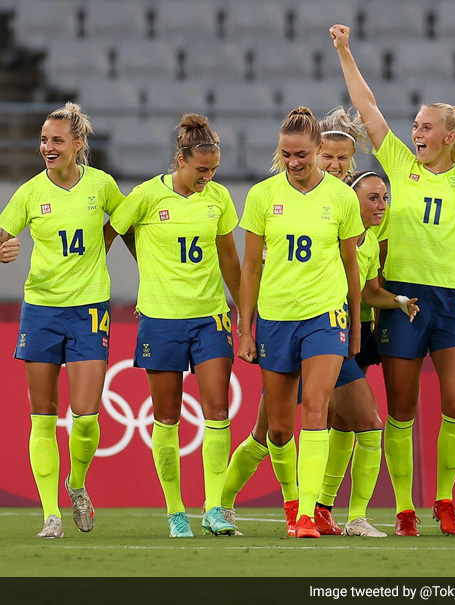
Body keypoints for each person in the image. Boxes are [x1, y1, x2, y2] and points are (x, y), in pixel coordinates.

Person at [331, 22, 455, 536]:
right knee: (400, 408)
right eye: (415, 126)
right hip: (401, 299)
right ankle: (403, 506)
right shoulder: (398, 164)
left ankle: (444, 498)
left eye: (425, 127)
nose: (415, 133)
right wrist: (345, 52)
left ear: (448, 135)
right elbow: (370, 109)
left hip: (454, 301)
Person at [108, 114, 242, 538]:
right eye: (201, 169)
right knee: (166, 418)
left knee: (217, 412)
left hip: (210, 316)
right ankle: (175, 511)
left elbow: (230, 259)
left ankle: (215, 508)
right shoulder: (146, 195)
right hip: (161, 318)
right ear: (180, 159)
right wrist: (145, 262)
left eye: (214, 170)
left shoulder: (218, 199)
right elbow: (111, 233)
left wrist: (246, 315)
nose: (208, 177)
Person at [238, 107, 364, 539]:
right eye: (286, 155)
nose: (294, 162)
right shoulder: (261, 196)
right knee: (277, 427)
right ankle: (293, 500)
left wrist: (356, 325)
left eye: (302, 155)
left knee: (316, 409)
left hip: (326, 317)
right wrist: (245, 328)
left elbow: (351, 266)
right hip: (275, 318)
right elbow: (251, 266)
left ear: (317, 149)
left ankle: (308, 515)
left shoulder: (342, 199)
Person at [0, 102, 124, 538]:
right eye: (43, 140)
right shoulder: (31, 193)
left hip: (90, 309)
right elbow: (1, 236)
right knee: (43, 415)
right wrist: (1, 250)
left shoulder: (102, 186)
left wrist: (101, 246)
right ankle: (51, 514)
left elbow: (128, 224)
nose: (47, 147)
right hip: (41, 309)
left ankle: (77, 483)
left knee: (86, 417)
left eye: (56, 140)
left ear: (77, 144)